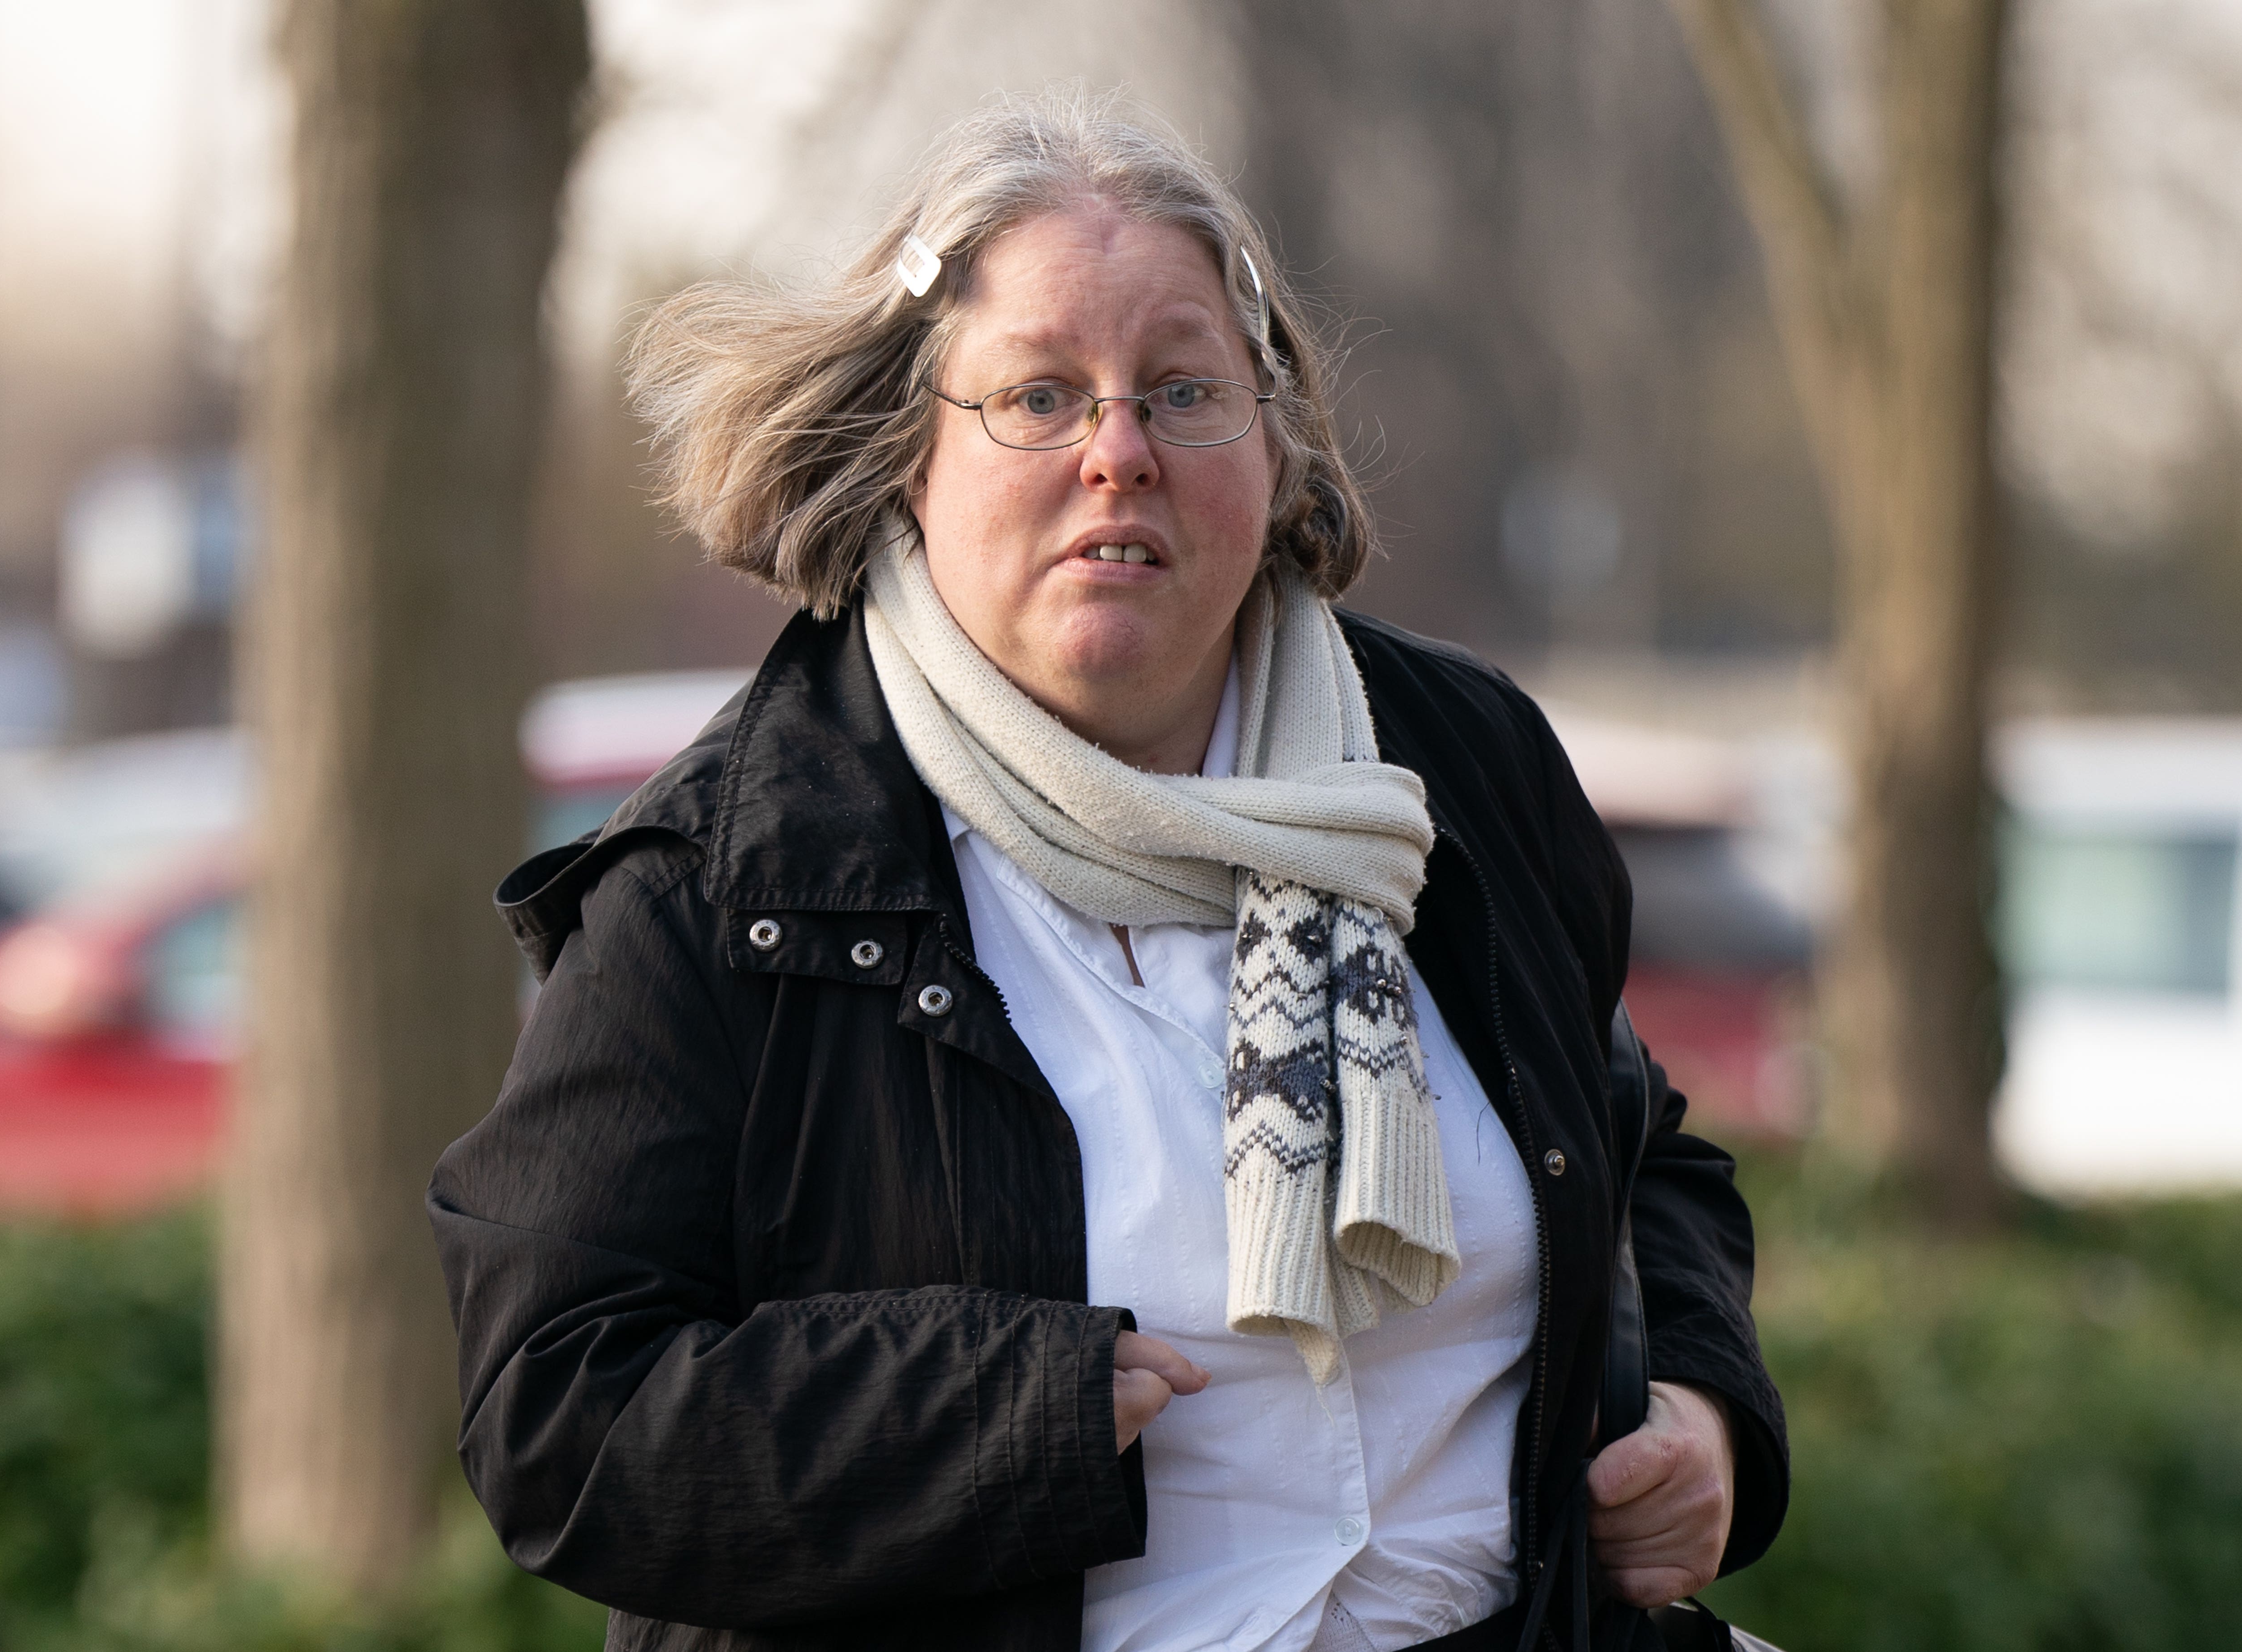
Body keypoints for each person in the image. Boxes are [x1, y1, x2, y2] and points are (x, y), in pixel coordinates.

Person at [431, 91, 1786, 1652]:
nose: (1117, 453)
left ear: (1270, 448)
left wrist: (1699, 1402)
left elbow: (1635, 1151)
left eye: (1182, 389)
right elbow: (560, 1413)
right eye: (1037, 396)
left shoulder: (1450, 767)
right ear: (904, 458)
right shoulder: (726, 879)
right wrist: (1014, 1416)